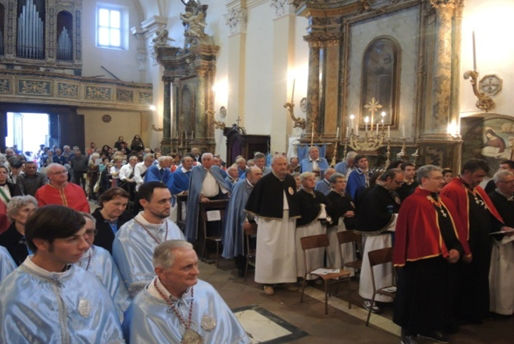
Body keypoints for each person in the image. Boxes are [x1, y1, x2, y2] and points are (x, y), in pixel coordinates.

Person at [0, 205, 124, 343]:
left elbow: (111, 333)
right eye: (72, 239)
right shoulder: (14, 294)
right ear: (41, 243)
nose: (84, 245)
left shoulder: (88, 282)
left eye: (85, 236)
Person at [394, 165, 471, 344]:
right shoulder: (413, 202)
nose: (442, 181)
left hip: (443, 260)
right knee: (416, 298)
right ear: (424, 180)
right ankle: (410, 332)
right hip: (419, 261)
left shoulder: (443, 201)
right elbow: (406, 234)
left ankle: (430, 328)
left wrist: (457, 249)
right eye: (437, 178)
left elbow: (454, 229)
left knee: (437, 297)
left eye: (441, 178)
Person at [126, 240, 250, 343]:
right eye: (187, 267)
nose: (196, 272)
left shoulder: (206, 290)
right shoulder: (142, 310)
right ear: (161, 272)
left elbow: (233, 337)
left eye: (196, 265)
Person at [441, 159, 505, 323]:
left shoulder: (476, 189)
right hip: (467, 244)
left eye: (482, 177)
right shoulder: (452, 189)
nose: (480, 180)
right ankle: (464, 315)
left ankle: (477, 312)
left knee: (479, 278)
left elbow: (489, 211)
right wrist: (464, 248)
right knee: (465, 281)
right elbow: (453, 222)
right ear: (467, 172)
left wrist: (501, 227)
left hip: (482, 242)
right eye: (478, 176)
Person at [113, 182, 185, 297]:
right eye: (162, 201)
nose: (168, 205)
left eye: (169, 200)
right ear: (144, 203)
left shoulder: (172, 227)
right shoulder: (126, 236)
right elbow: (134, 282)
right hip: (148, 302)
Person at [245, 155, 299, 295]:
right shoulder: (265, 181)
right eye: (280, 164)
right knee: (270, 251)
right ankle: (267, 282)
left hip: (287, 221)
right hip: (270, 222)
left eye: (285, 164)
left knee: (287, 251)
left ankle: (286, 279)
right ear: (273, 166)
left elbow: (293, 198)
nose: (283, 167)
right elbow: (254, 202)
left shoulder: (290, 179)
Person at [356, 168, 403, 312]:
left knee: (386, 269)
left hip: (388, 236)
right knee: (374, 269)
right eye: (397, 182)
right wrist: (395, 218)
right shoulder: (374, 195)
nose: (399, 185)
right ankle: (369, 296)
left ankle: (385, 295)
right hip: (376, 238)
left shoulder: (388, 193)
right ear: (388, 179)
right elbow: (374, 216)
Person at [79, 213, 130, 320]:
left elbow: (117, 292)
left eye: (90, 232)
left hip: (103, 316)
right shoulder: (58, 257)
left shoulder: (102, 255)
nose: (86, 237)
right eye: (81, 232)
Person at [222, 166, 263, 276]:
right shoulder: (240, 186)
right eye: (257, 174)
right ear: (248, 175)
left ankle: (251, 263)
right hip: (241, 219)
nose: (260, 176)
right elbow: (239, 206)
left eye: (260, 174)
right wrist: (245, 220)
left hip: (255, 218)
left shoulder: (260, 186)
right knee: (241, 241)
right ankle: (241, 265)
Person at [184, 153, 231, 242]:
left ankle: (216, 240)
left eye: (208, 159)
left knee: (216, 221)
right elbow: (195, 186)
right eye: (204, 160)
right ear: (201, 161)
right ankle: (203, 242)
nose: (206, 161)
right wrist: (201, 197)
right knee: (204, 223)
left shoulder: (216, 169)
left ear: (213, 161)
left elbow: (222, 182)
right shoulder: (196, 170)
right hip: (202, 201)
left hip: (216, 200)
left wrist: (227, 192)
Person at [487, 169, 514, 316]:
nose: (513, 184)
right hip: (501, 245)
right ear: (498, 184)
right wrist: (502, 228)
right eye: (509, 182)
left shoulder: (511, 197)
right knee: (503, 279)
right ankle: (500, 308)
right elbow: (490, 220)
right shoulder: (492, 199)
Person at [294, 172, 329, 280]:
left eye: (314, 179)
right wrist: (320, 207)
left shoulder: (318, 194)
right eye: (310, 180)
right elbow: (303, 211)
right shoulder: (298, 196)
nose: (313, 181)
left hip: (319, 227)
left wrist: (323, 208)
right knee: (305, 253)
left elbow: (329, 205)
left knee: (317, 252)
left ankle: (316, 274)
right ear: (303, 182)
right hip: (305, 228)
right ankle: (302, 275)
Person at [325, 173, 356, 271]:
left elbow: (353, 206)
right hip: (335, 227)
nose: (343, 184)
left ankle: (348, 271)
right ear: (333, 184)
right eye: (340, 182)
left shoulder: (346, 195)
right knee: (336, 250)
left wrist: (352, 212)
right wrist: (343, 213)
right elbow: (330, 211)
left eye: (344, 182)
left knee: (347, 249)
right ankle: (335, 272)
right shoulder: (329, 196)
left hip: (347, 226)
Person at [92, 187, 133, 253]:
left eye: (124, 205)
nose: (120, 208)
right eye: (117, 204)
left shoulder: (129, 220)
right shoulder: (92, 223)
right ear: (104, 202)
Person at [0, 195, 37, 265]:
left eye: (34, 210)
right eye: (26, 210)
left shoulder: (43, 235)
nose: (32, 214)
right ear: (14, 214)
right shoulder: (4, 241)